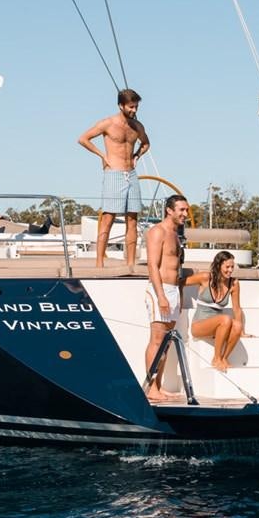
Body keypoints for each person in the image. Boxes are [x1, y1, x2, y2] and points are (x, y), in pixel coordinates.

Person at [77, 88, 151, 268]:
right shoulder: (108, 123)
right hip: (114, 174)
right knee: (108, 218)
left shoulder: (137, 126)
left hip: (131, 175)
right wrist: (102, 155)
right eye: (131, 107)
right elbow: (83, 139)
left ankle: (131, 263)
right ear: (121, 105)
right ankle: (99, 263)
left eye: (136, 107)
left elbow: (146, 143)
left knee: (132, 220)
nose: (134, 110)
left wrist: (136, 156)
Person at [142, 194, 190, 402]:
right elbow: (152, 265)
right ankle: (150, 388)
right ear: (169, 210)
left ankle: (158, 387)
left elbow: (177, 268)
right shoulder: (157, 231)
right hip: (159, 290)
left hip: (173, 291)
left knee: (166, 344)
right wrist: (161, 296)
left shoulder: (176, 234)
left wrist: (177, 296)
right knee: (157, 340)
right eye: (181, 210)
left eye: (187, 210)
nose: (185, 214)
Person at [183, 251, 245, 371]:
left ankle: (223, 358)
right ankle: (216, 359)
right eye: (227, 267)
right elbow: (181, 283)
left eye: (232, 267)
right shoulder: (206, 278)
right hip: (199, 325)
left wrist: (242, 332)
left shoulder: (234, 283)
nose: (230, 270)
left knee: (237, 326)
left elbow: (237, 308)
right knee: (226, 319)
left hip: (219, 326)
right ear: (218, 266)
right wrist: (179, 299)